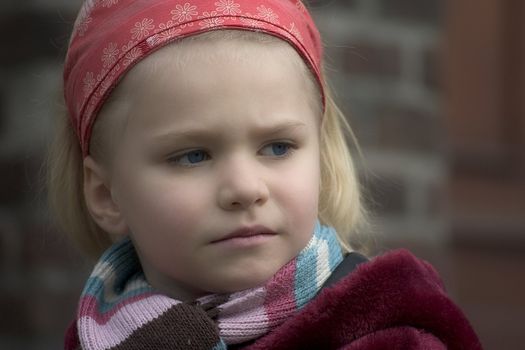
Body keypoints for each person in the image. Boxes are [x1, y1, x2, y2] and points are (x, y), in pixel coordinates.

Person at [47, 0, 482, 349]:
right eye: (193, 156)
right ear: (106, 195)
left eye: (278, 147)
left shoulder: (389, 328)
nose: (244, 189)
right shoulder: (102, 335)